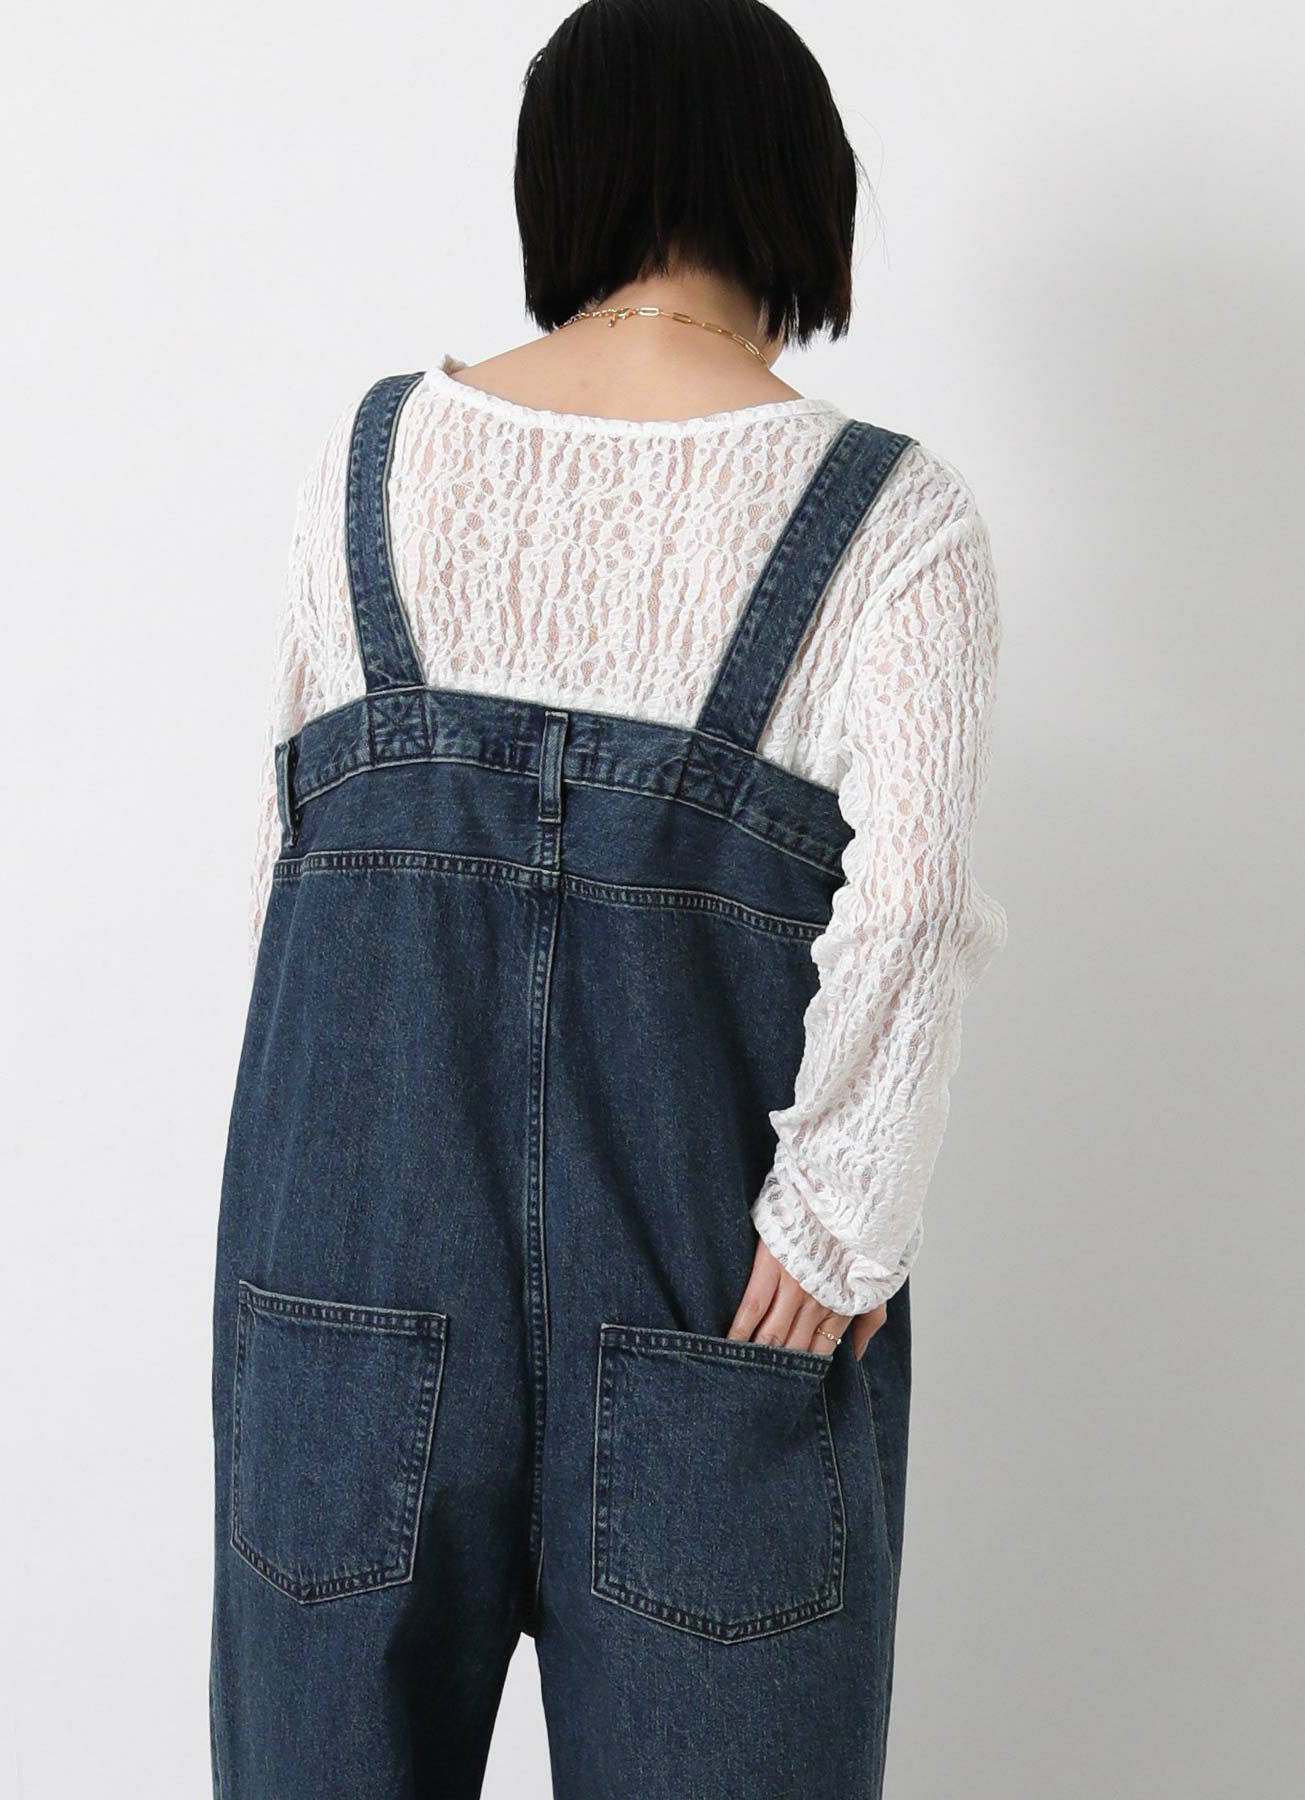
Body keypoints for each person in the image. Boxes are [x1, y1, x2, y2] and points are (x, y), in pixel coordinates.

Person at [210, 2, 1007, 1794]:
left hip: (348, 1296)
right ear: (801, 191)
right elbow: (917, 902)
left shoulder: (371, 461)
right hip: (709, 1303)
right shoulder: (896, 520)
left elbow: (289, 875)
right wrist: (839, 1222)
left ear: (560, 182)